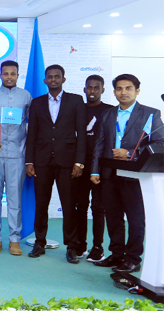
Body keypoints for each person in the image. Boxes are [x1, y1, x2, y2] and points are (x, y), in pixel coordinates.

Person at [91, 74, 164, 273]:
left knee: (135, 219)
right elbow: (99, 144)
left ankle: (133, 258)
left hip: (135, 175)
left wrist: (131, 153)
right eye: (119, 88)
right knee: (113, 217)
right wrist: (95, 170)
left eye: (128, 88)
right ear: (114, 91)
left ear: (137, 91)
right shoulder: (107, 114)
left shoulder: (150, 114)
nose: (123, 92)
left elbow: (159, 143)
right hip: (109, 173)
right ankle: (116, 255)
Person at [26, 64, 86, 263]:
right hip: (42, 162)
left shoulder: (76, 101)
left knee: (69, 206)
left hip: (68, 162)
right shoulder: (37, 103)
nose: (53, 79)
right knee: (41, 205)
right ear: (45, 80)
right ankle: (39, 242)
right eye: (50, 77)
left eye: (57, 76)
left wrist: (79, 162)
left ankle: (71, 247)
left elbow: (82, 134)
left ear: (63, 79)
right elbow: (32, 134)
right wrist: (29, 161)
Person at [0, 61, 32, 256]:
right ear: (0, 75)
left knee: (14, 199)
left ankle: (14, 240)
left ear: (18, 75)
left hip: (17, 154)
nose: (9, 76)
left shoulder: (26, 96)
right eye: (5, 73)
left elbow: (31, 123)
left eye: (13, 73)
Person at [75, 75, 113, 262]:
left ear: (102, 90)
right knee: (80, 207)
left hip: (100, 167)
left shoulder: (109, 111)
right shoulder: (77, 109)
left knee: (98, 208)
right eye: (89, 87)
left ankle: (98, 248)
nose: (92, 91)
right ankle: (80, 245)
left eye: (96, 88)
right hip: (80, 165)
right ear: (84, 89)